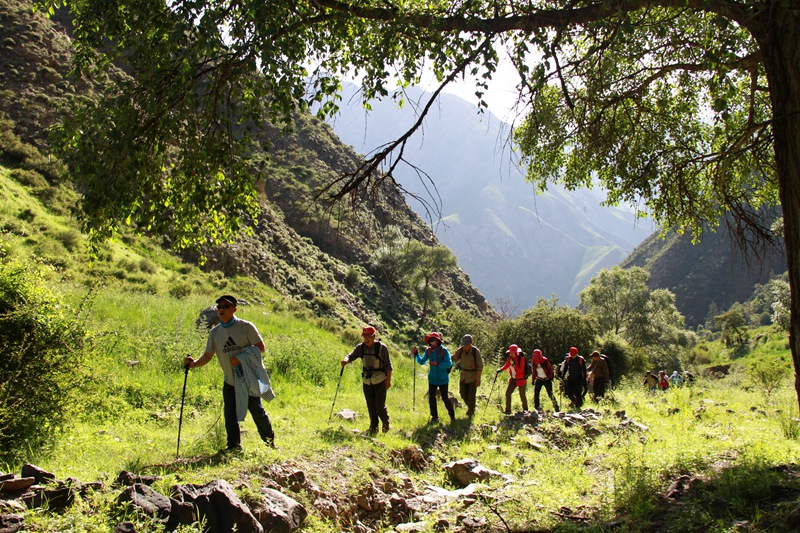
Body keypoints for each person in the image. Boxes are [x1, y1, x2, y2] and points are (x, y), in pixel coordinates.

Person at [184, 295, 275, 451]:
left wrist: (240, 358)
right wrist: (193, 364)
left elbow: (261, 348)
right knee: (230, 414)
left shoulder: (246, 327)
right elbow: (207, 355)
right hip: (230, 381)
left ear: (234, 309)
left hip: (248, 378)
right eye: (219, 307)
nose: (221, 310)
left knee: (256, 411)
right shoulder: (215, 333)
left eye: (225, 306)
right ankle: (233, 447)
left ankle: (270, 443)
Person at [342, 325, 393, 434]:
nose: (366, 339)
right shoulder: (361, 347)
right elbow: (351, 355)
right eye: (364, 337)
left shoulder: (382, 348)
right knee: (370, 405)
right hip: (367, 382)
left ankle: (386, 424)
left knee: (379, 406)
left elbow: (388, 367)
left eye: (369, 337)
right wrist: (346, 360)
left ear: (374, 336)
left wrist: (388, 381)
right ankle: (373, 427)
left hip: (380, 382)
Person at [414, 332, 455, 423]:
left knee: (445, 398)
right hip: (432, 379)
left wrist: (439, 364)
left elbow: (449, 363)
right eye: (430, 340)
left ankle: (452, 416)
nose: (432, 342)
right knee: (431, 398)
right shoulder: (428, 351)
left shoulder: (444, 351)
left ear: (438, 341)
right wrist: (416, 355)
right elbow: (421, 361)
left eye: (434, 340)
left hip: (443, 379)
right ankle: (435, 417)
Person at [451, 334, 483, 418]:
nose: (465, 346)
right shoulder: (461, 350)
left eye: (467, 345)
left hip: (473, 377)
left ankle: (471, 412)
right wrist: (444, 355)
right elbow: (454, 358)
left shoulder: (476, 352)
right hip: (463, 376)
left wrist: (478, 379)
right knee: (462, 394)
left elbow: (480, 366)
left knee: (471, 395)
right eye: (464, 344)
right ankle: (471, 407)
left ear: (471, 343)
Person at [498, 344, 528, 414]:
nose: (511, 354)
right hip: (513, 379)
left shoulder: (521, 359)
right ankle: (508, 410)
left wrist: (514, 365)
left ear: (516, 352)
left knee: (522, 395)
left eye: (512, 352)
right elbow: (507, 365)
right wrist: (501, 369)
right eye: (510, 352)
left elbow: (521, 370)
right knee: (508, 393)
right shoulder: (510, 358)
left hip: (521, 380)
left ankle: (525, 410)